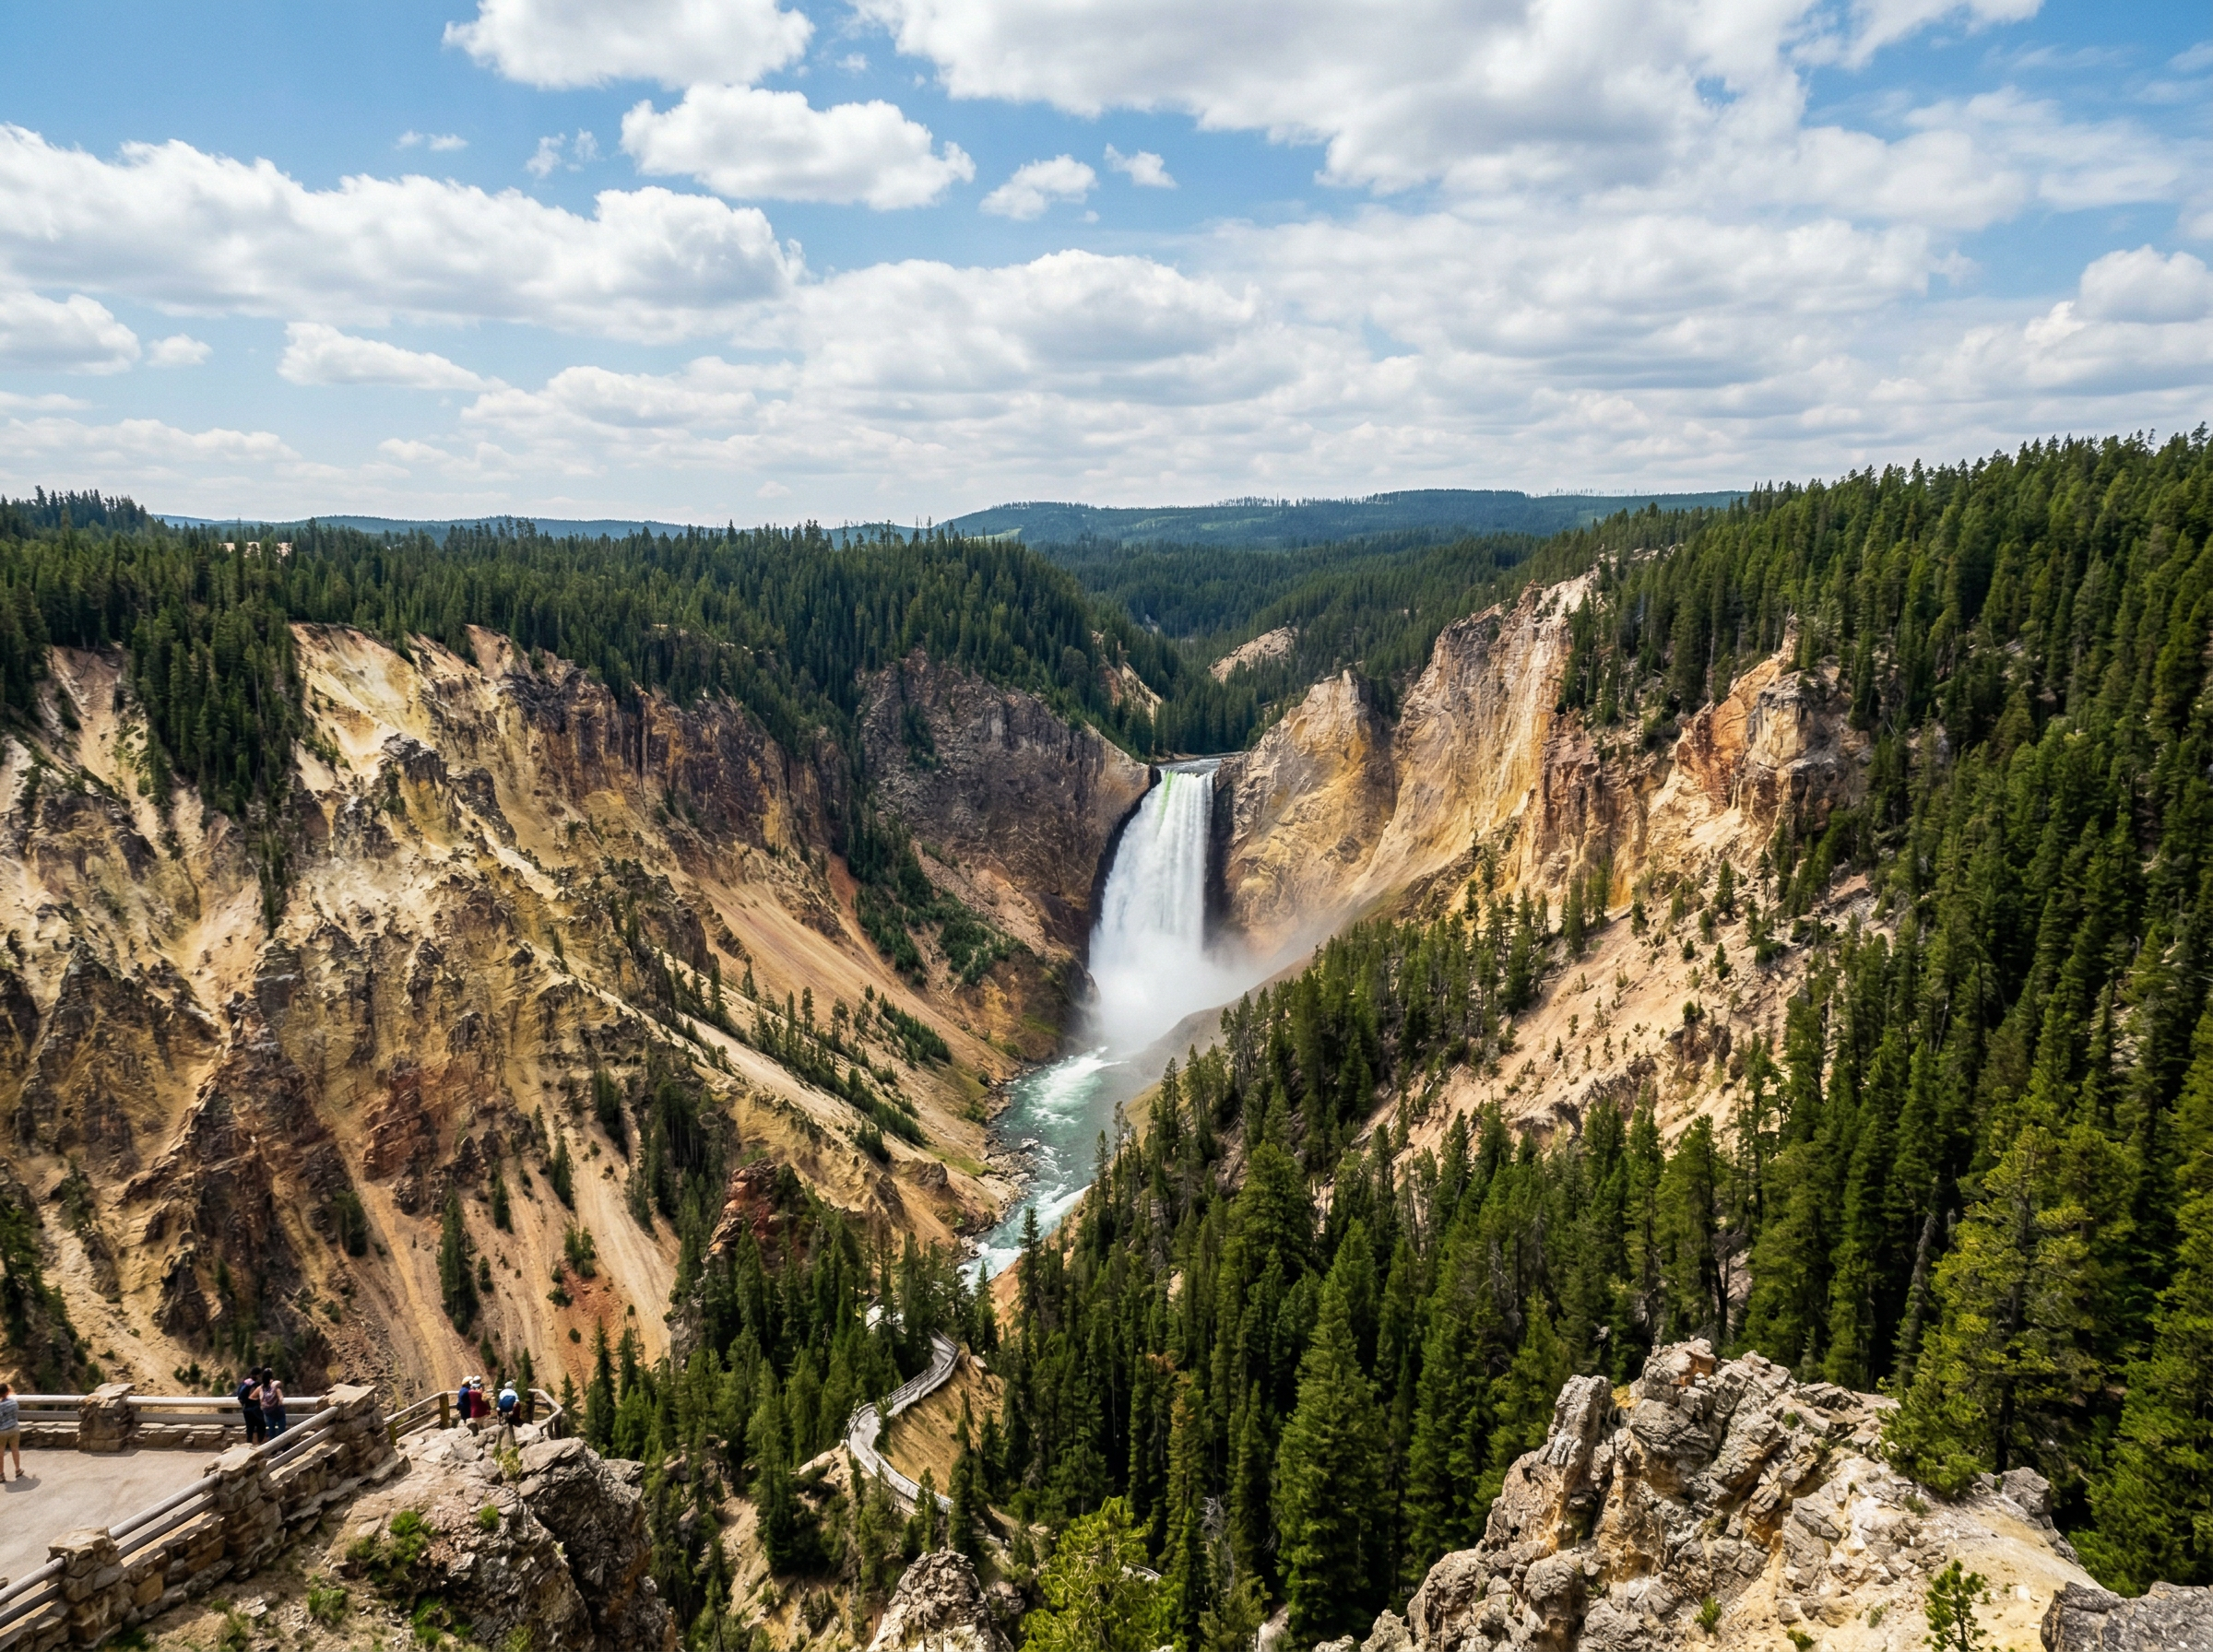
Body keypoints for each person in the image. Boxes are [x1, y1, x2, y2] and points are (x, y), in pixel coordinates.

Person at [236, 1370, 266, 1446]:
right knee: (261, 1425)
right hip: (255, 1408)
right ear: (257, 1375)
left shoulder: (244, 1382)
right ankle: (259, 1444)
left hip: (246, 1408)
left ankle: (249, 1444)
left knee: (249, 1427)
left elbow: (239, 1397)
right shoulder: (256, 1384)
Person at [0, 1383, 21, 1481]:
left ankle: (1, 1474)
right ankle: (17, 1469)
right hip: (14, 1428)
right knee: (15, 1449)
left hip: (2, 1431)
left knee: (1, 1452)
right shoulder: (14, 1403)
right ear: (8, 1391)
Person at [261, 1369, 288, 1438]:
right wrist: (280, 1399)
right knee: (281, 1430)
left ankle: (272, 1447)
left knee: (271, 1430)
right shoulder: (274, 1385)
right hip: (278, 1410)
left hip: (269, 1412)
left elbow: (261, 1399)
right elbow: (280, 1396)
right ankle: (281, 1445)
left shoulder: (262, 1387)